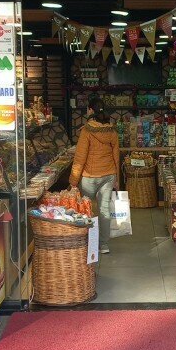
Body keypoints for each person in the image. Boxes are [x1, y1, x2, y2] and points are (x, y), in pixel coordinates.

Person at [69, 93, 120, 254]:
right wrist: (117, 178)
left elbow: (80, 157)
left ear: (90, 110)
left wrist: (73, 180)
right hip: (109, 175)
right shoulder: (112, 130)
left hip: (89, 177)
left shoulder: (87, 131)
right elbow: (116, 155)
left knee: (86, 209)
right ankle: (103, 245)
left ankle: (86, 242)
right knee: (104, 210)